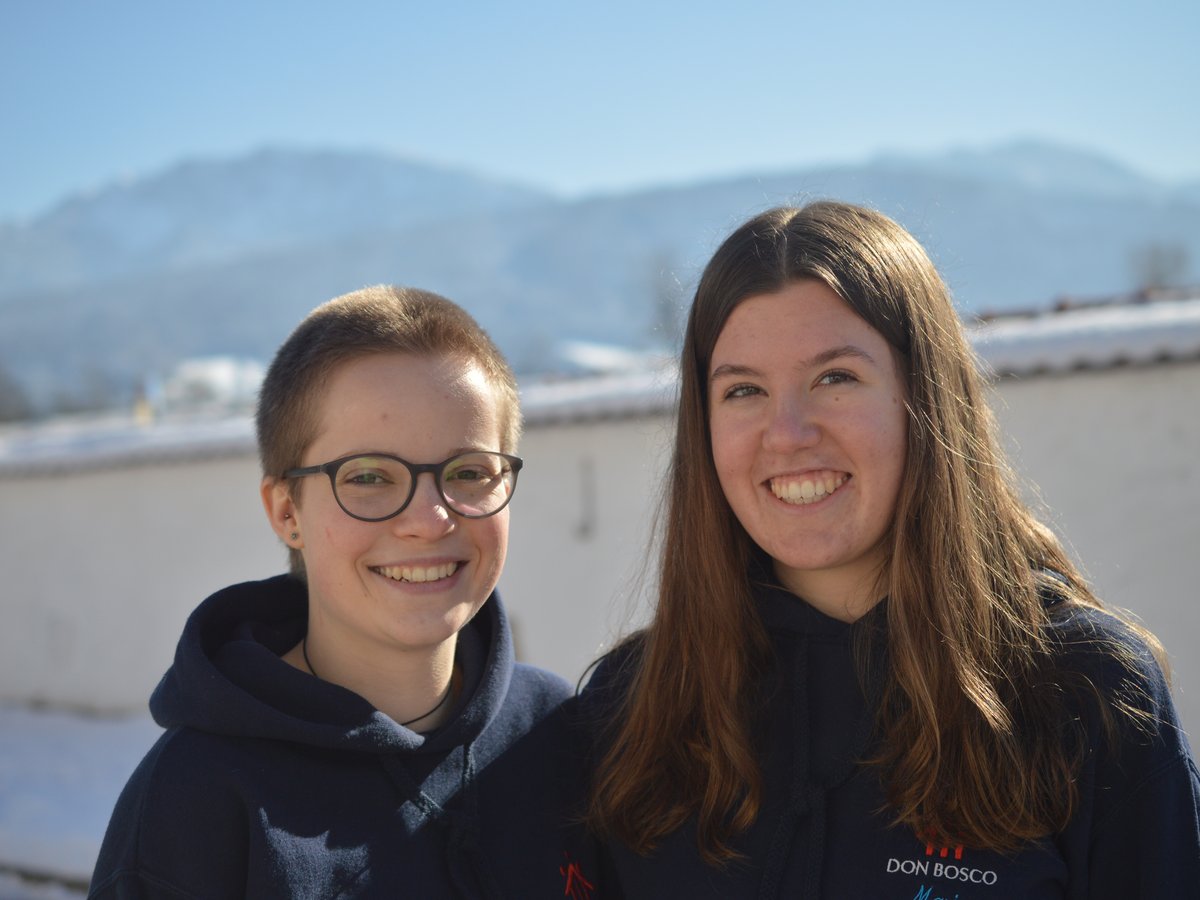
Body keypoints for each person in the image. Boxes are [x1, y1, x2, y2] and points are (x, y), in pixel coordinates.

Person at [581, 202, 1200, 898]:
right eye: (744, 390)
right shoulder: (630, 709)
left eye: (835, 378)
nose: (786, 434)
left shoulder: (1082, 693)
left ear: (925, 398)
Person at [90, 286, 586, 898]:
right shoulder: (196, 798)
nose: (429, 520)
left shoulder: (560, 732)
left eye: (468, 472)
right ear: (286, 511)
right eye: (370, 477)